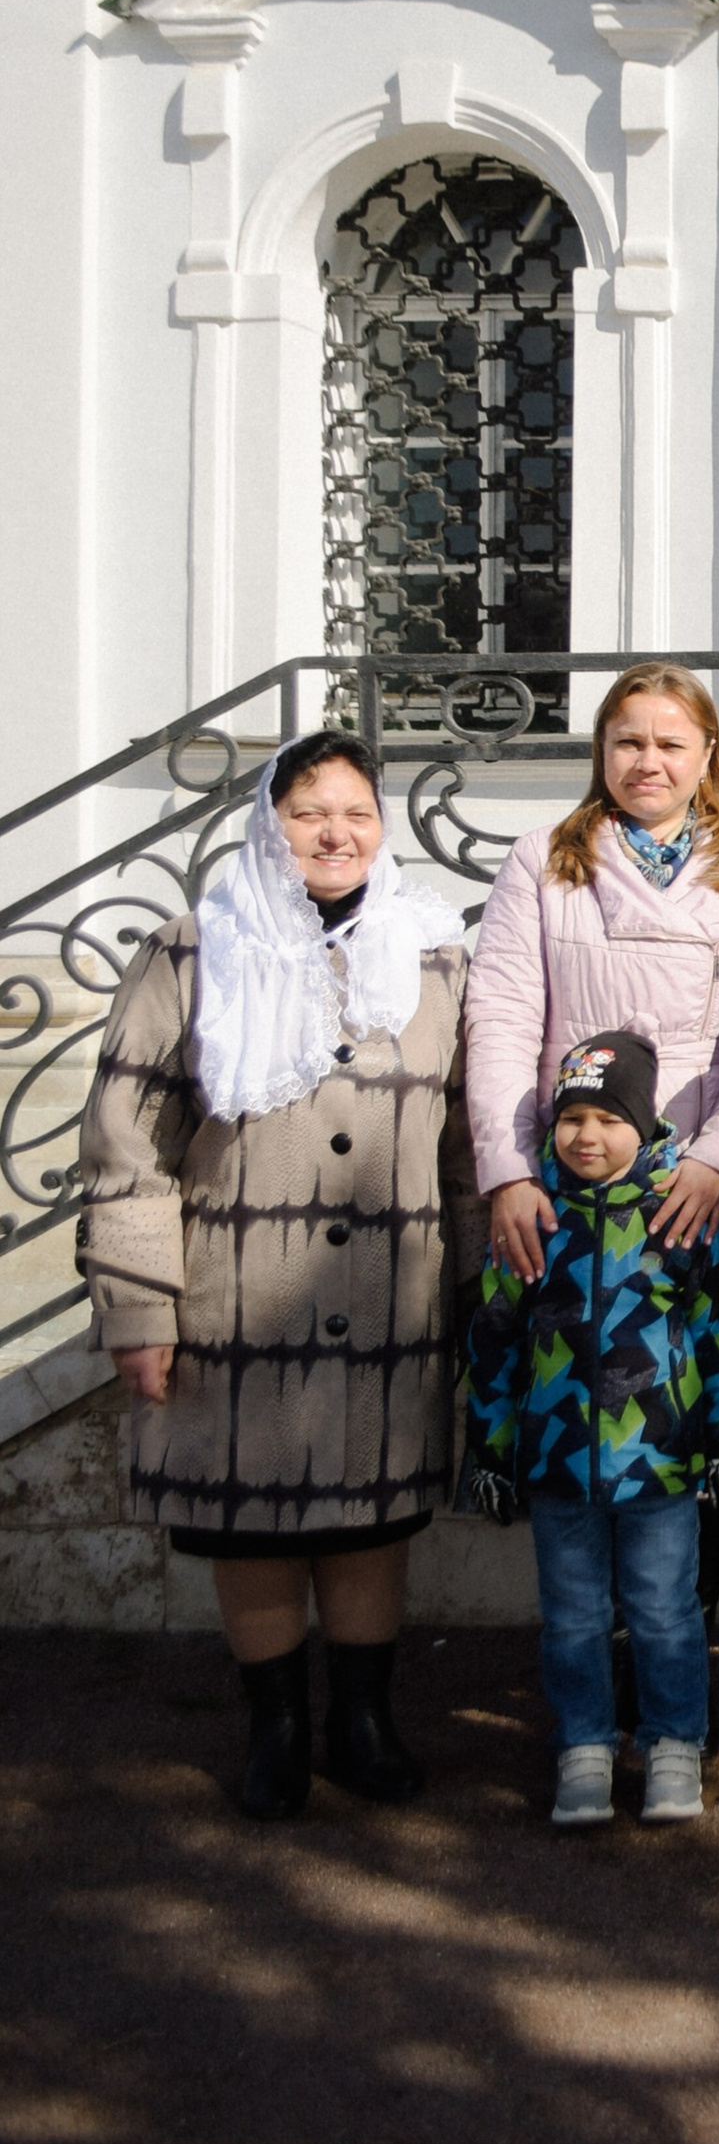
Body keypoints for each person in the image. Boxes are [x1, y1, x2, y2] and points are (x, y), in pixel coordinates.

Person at [77, 730, 473, 1818]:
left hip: (392, 1298)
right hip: (231, 1298)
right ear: (269, 823)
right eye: (308, 813)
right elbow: (126, 1140)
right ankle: (276, 1732)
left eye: (355, 812)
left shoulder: (433, 953)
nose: (334, 833)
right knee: (246, 1523)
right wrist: (137, 1306)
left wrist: (485, 1288)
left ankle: (362, 1721)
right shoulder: (194, 948)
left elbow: (461, 1143)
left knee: (368, 1522)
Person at [463, 662, 719, 1738]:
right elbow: (499, 1021)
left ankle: (675, 1687)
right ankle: (592, 1683)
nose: (649, 762)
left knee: (695, 1453)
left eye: (673, 742)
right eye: (629, 741)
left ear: (709, 755)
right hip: (569, 1220)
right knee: (580, 1448)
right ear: (601, 752)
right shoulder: (546, 862)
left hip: (695, 1212)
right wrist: (508, 1171)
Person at [461, 1031, 719, 1830]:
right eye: (572, 1118)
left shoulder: (678, 1214)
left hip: (661, 1466)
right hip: (558, 1469)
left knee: (666, 1610)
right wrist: (487, 1454)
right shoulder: (534, 1218)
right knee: (574, 1616)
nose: (587, 1135)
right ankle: (584, 1745)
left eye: (608, 1118)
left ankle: (672, 1742)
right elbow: (494, 1343)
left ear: (645, 1124)